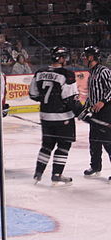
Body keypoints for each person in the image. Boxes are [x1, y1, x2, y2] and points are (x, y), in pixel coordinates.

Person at [29, 46, 82, 185]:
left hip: (45, 117)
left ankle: (38, 173)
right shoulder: (67, 75)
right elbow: (70, 99)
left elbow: (33, 94)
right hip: (63, 118)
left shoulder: (39, 72)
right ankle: (56, 175)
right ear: (62, 58)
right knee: (63, 146)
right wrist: (81, 113)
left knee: (46, 145)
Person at [80, 46, 111, 179]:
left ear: (91, 57)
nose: (83, 58)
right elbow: (92, 94)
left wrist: (103, 101)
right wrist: (86, 107)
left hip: (106, 111)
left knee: (108, 140)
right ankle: (95, 166)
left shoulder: (104, 71)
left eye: (85, 55)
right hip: (95, 112)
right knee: (94, 140)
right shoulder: (92, 72)